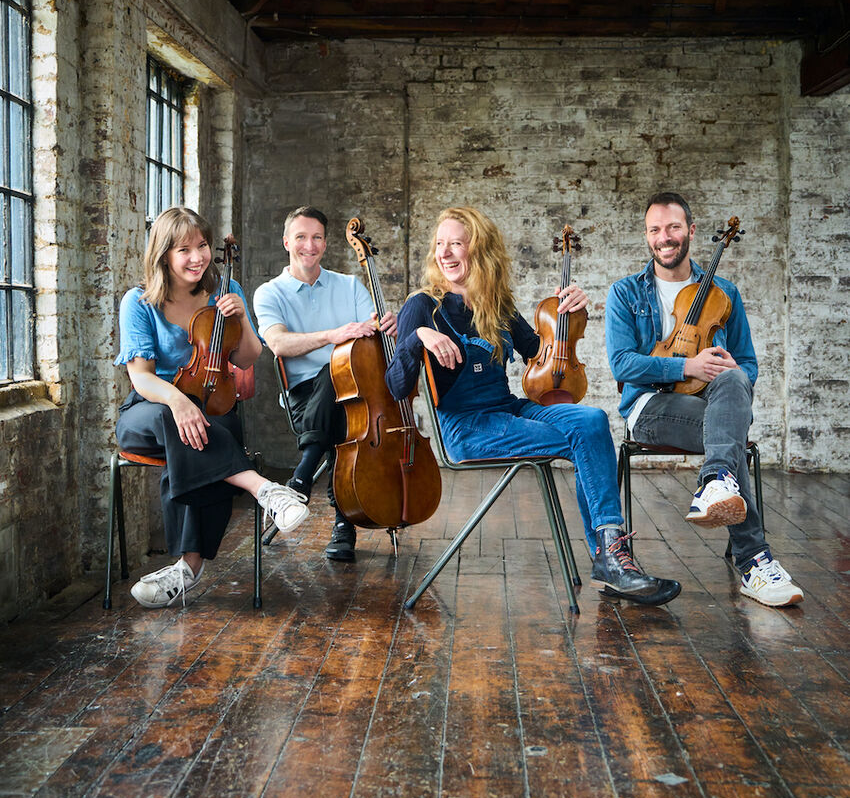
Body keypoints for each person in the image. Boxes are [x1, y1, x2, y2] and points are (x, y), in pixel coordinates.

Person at [385, 206, 681, 606]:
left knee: (592, 420)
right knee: (581, 438)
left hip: (508, 410)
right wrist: (418, 335)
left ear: (481, 250)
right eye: (440, 244)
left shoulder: (497, 305)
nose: (446, 253)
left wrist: (571, 316)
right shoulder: (422, 307)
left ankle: (610, 552)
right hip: (466, 428)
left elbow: (544, 355)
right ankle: (610, 558)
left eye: (457, 243)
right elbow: (396, 384)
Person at [605, 191, 803, 608]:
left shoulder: (725, 293)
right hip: (649, 407)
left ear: (690, 231)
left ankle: (715, 481)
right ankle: (753, 561)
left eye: (673, 227)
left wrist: (732, 368)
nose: (665, 237)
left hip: (709, 405)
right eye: (655, 230)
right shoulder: (625, 293)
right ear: (647, 236)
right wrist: (684, 368)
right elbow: (622, 365)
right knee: (728, 437)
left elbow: (748, 365)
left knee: (732, 380)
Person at [115, 207, 309, 609]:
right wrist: (178, 401)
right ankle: (264, 489)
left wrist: (241, 318)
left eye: (202, 245)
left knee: (206, 434)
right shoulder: (138, 301)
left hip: (210, 407)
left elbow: (249, 358)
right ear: (163, 254)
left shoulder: (226, 290)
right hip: (150, 408)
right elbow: (142, 378)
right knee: (186, 424)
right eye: (184, 249)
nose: (197, 256)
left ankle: (185, 568)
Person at [253, 206, 397, 561]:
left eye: (316, 237)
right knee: (335, 377)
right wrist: (334, 336)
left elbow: (374, 335)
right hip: (304, 397)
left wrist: (387, 326)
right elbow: (279, 344)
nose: (309, 245)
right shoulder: (269, 293)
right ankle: (343, 525)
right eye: (301, 237)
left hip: (357, 392)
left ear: (326, 244)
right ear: (287, 242)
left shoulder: (349, 285)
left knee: (343, 382)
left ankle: (301, 477)